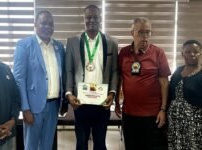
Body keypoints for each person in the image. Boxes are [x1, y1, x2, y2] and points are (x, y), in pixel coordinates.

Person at [65, 5, 118, 150]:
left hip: (103, 102)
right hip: (80, 102)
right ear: (84, 19)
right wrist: (69, 94)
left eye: (96, 17)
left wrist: (112, 94)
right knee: (81, 143)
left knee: (100, 143)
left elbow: (114, 71)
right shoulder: (73, 42)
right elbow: (69, 70)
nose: (92, 20)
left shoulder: (112, 42)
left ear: (101, 19)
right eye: (88, 17)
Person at [115, 17, 171, 150]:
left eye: (148, 32)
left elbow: (164, 83)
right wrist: (116, 102)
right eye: (141, 32)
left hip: (152, 114)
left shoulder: (158, 53)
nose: (145, 37)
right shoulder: (123, 53)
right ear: (132, 33)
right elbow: (119, 79)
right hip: (129, 114)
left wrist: (163, 110)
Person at [13, 10, 65, 150]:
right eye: (43, 23)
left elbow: (62, 74)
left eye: (50, 24)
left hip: (53, 106)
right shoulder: (24, 46)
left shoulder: (59, 47)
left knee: (47, 146)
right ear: (35, 24)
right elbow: (19, 79)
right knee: (31, 146)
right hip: (33, 108)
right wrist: (25, 109)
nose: (47, 26)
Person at [167, 40, 202, 150]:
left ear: (200, 53)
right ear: (182, 54)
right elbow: (170, 93)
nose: (192, 54)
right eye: (188, 51)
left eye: (195, 52)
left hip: (195, 124)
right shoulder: (178, 71)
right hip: (175, 123)